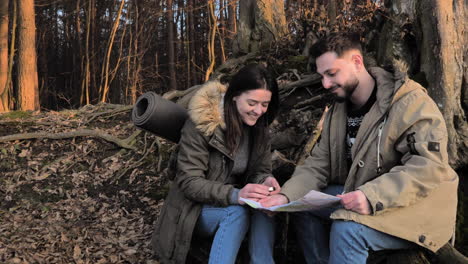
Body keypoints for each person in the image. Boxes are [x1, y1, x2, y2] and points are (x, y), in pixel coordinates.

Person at [260, 33, 459, 263]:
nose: (325, 84)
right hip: (363, 195)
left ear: (357, 62)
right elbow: (317, 166)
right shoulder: (338, 111)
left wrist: (370, 195)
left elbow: (428, 166)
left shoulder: (408, 100)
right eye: (321, 76)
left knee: (347, 231)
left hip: (415, 207)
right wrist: (286, 196)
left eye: (331, 73)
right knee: (302, 207)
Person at [152, 64, 280, 264]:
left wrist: (266, 181)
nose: (258, 111)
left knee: (267, 208)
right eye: (253, 103)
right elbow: (189, 182)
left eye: (265, 105)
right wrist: (235, 195)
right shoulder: (202, 124)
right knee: (236, 213)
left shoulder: (260, 128)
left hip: (231, 201)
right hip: (192, 211)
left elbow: (260, 170)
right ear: (235, 95)